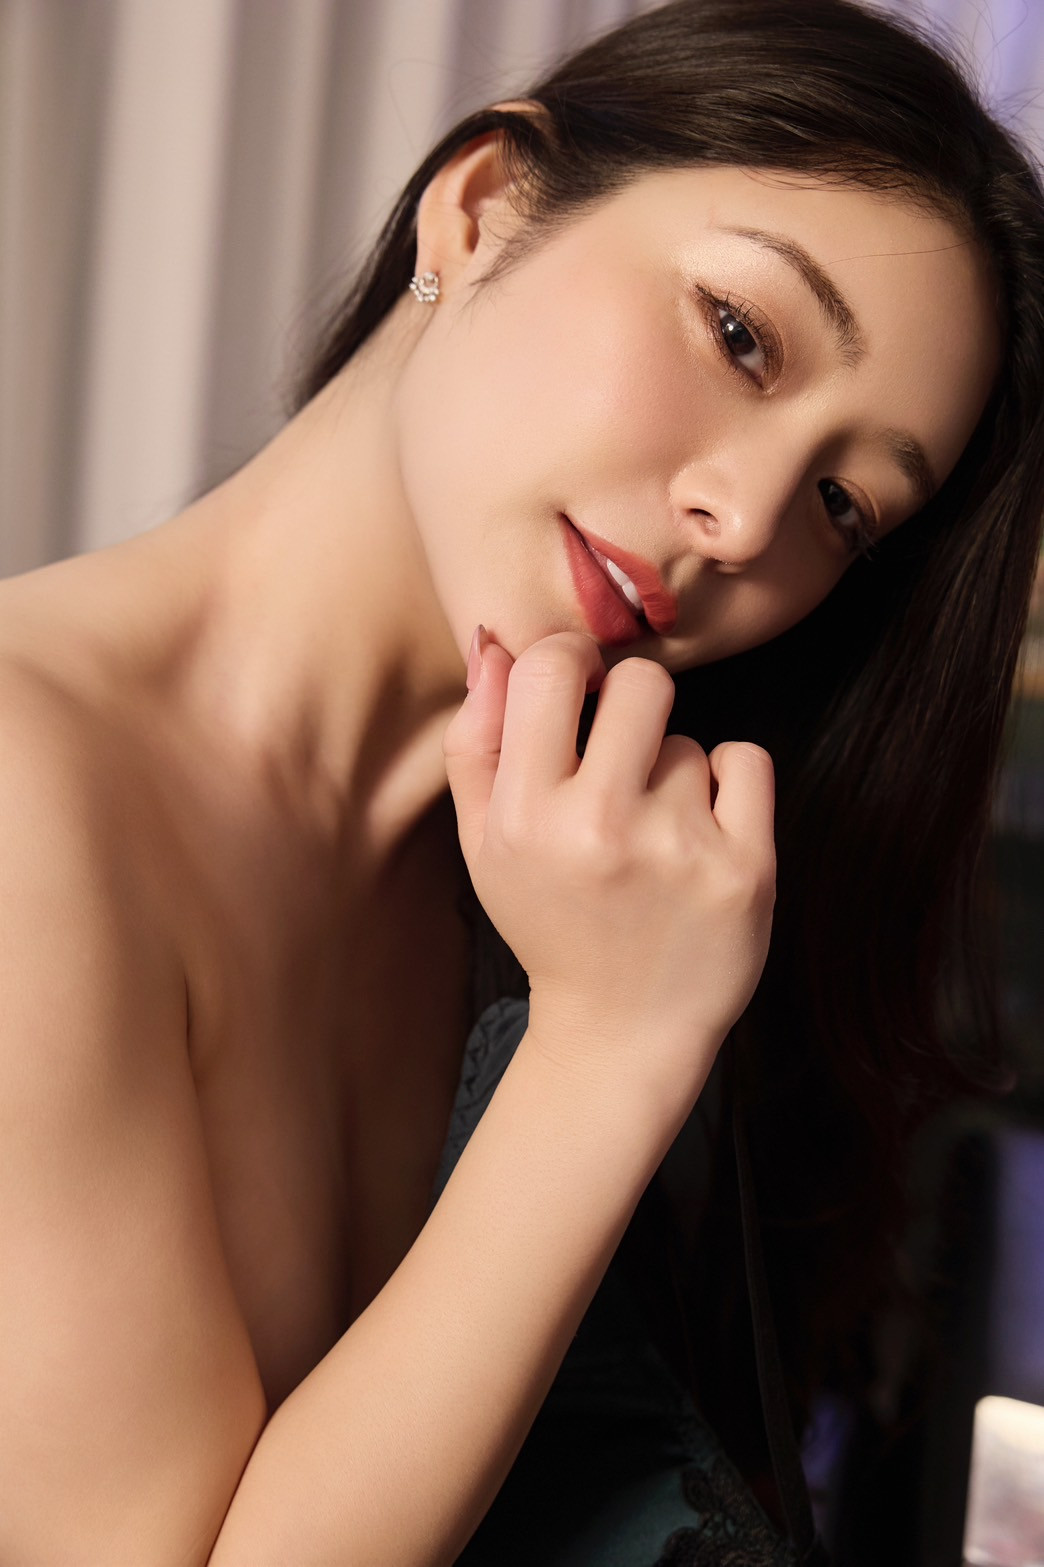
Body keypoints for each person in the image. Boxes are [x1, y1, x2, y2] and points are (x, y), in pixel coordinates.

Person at [2, 0, 1042, 1560]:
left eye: (844, 504)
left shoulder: (570, 876)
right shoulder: (32, 789)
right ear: (481, 209)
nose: (744, 519)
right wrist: (607, 1050)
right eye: (740, 336)